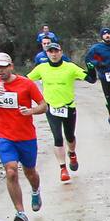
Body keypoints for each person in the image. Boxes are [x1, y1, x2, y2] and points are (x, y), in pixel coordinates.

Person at [0, 53, 47, 221]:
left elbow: (43, 106)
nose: (0, 71)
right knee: (11, 171)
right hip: (4, 135)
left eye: (3, 67)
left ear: (11, 66)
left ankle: (35, 190)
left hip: (26, 136)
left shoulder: (26, 84)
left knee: (30, 172)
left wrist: (30, 111)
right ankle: (20, 213)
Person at [26, 44, 88, 183]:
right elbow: (26, 81)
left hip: (68, 107)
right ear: (47, 54)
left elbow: (89, 78)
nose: (53, 54)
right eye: (50, 52)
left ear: (61, 52)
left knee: (70, 136)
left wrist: (91, 70)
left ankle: (72, 153)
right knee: (58, 138)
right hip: (51, 107)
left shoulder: (70, 67)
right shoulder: (42, 68)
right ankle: (63, 168)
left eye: (56, 51)